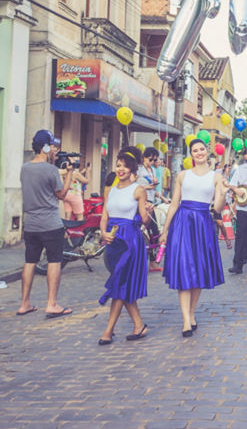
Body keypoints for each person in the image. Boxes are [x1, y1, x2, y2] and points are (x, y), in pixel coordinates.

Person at [161, 139, 227, 337]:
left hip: (203, 224)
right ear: (191, 154)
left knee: (198, 271)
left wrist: (223, 194)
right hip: (182, 223)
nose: (199, 153)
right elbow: (174, 204)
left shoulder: (216, 177)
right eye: (195, 150)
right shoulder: (182, 175)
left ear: (207, 152)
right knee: (183, 270)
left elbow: (217, 208)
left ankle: (191, 312)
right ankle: (185, 321)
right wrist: (165, 230)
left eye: (202, 149)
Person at [16, 130, 76, 318]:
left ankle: (24, 303)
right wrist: (69, 174)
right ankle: (52, 303)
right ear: (45, 147)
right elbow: (62, 194)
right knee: (54, 261)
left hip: (31, 224)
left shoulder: (25, 168)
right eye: (51, 146)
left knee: (30, 262)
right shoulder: (50, 170)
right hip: (50, 222)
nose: (54, 150)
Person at [97, 148, 150, 345]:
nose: (120, 170)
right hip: (112, 241)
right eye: (118, 165)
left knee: (119, 284)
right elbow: (105, 216)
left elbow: (144, 220)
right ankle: (139, 325)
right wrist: (103, 233)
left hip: (129, 243)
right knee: (122, 284)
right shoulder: (110, 190)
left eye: (125, 167)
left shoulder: (138, 190)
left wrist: (145, 211)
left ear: (132, 169)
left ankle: (108, 331)